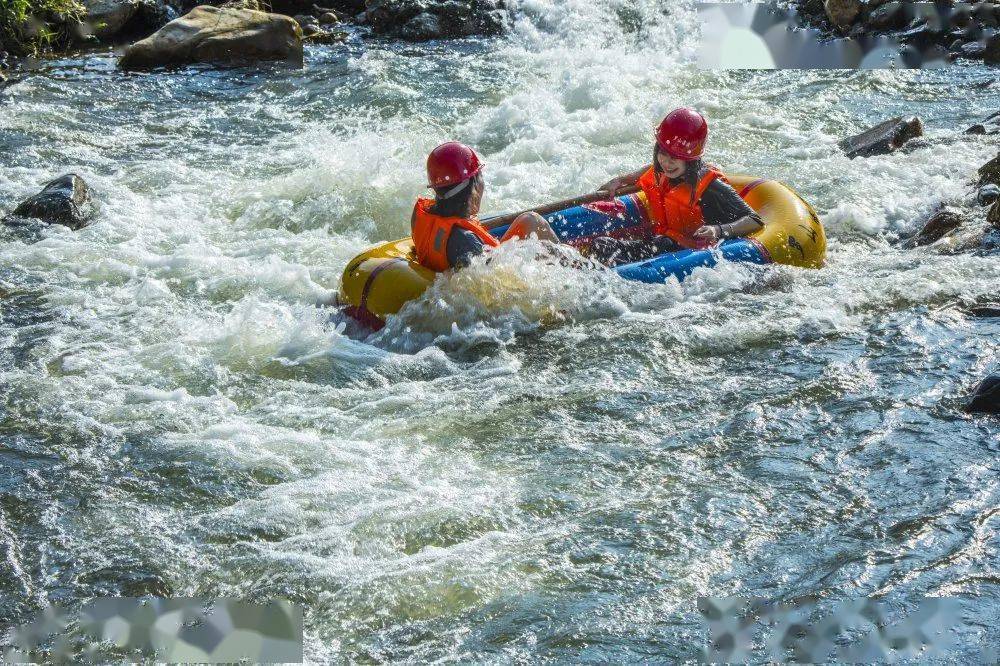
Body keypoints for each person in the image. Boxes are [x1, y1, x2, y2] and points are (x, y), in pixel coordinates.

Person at [591, 107, 764, 266]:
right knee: (601, 245)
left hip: (688, 256)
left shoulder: (711, 187)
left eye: (675, 157)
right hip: (662, 243)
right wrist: (620, 180)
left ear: (691, 159)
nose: (667, 163)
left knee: (621, 262)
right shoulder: (663, 172)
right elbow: (649, 171)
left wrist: (717, 230)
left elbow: (754, 220)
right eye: (663, 153)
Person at [411, 141, 559, 272]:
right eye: (480, 177)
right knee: (532, 220)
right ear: (473, 187)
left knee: (527, 220)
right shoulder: (465, 241)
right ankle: (574, 266)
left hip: (448, 270)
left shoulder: (418, 215)